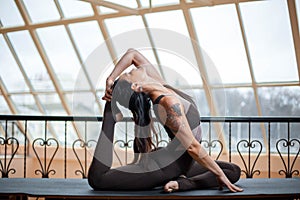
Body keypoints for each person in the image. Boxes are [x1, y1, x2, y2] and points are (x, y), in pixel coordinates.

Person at [88, 48, 243, 193]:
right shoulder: (168, 104)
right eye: (128, 75)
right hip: (163, 167)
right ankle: (110, 116)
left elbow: (132, 54)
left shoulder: (158, 84)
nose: (130, 70)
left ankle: (181, 181)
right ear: (135, 85)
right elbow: (193, 148)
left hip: (179, 163)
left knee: (232, 171)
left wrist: (111, 78)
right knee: (98, 179)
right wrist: (111, 101)